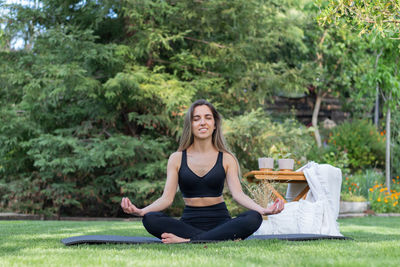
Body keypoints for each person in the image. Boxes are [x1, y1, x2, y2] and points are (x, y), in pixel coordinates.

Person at [121, 99, 284, 243]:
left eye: (208, 117)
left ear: (214, 124)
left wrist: (262, 210)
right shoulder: (177, 158)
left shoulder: (227, 158)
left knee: (253, 217)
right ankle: (220, 238)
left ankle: (189, 241)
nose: (202, 122)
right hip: (188, 223)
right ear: (190, 125)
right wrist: (141, 211)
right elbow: (166, 199)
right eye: (196, 118)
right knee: (150, 219)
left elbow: (238, 195)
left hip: (221, 221)